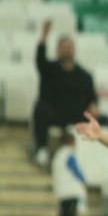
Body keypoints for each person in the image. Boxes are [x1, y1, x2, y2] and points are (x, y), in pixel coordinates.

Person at [33, 20, 97, 165]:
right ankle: (42, 149)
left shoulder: (85, 76)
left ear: (74, 50)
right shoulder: (49, 70)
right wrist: (44, 35)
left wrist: (94, 105)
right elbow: (39, 60)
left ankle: (94, 156)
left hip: (76, 115)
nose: (67, 49)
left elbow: (92, 97)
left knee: (103, 120)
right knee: (40, 110)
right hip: (53, 113)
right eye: (63, 47)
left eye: (69, 47)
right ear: (58, 50)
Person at [50, 128, 84, 216]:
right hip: (71, 189)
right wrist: (83, 179)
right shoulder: (69, 154)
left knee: (63, 210)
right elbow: (75, 168)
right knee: (70, 211)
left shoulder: (57, 155)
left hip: (61, 189)